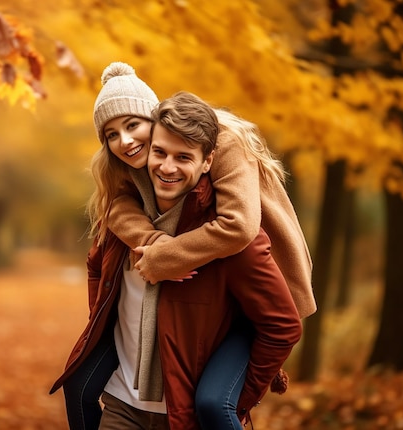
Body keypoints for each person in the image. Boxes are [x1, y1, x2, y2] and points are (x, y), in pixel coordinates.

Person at [50, 62, 315, 429]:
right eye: (111, 134)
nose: (125, 140)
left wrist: (167, 257)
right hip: (130, 400)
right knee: (78, 385)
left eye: (132, 125)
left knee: (214, 404)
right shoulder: (135, 168)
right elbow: (115, 211)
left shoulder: (222, 144)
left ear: (156, 119)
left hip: (268, 264)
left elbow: (239, 227)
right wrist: (151, 243)